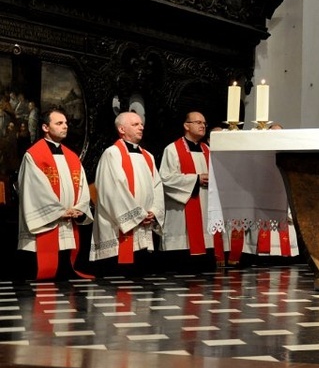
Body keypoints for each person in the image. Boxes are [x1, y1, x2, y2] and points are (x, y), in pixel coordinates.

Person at [17, 108, 93, 280]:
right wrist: (60, 212)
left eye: (66, 123)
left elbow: (82, 186)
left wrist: (78, 208)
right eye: (59, 123)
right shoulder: (34, 156)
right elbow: (35, 190)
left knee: (65, 280)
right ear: (45, 127)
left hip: (69, 219)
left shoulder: (72, 156)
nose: (65, 126)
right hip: (48, 225)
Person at [90, 111, 165, 275]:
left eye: (141, 124)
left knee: (141, 282)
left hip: (144, 224)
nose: (141, 127)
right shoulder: (112, 154)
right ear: (122, 129)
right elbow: (113, 190)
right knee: (119, 281)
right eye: (135, 124)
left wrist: (153, 211)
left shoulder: (148, 156)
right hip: (119, 228)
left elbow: (157, 186)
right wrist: (138, 215)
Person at [159, 111, 218, 272]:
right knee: (181, 265)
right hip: (181, 210)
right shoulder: (172, 150)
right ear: (186, 125)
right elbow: (165, 179)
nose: (202, 126)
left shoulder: (209, 150)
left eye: (204, 124)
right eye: (198, 122)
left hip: (205, 206)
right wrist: (196, 179)